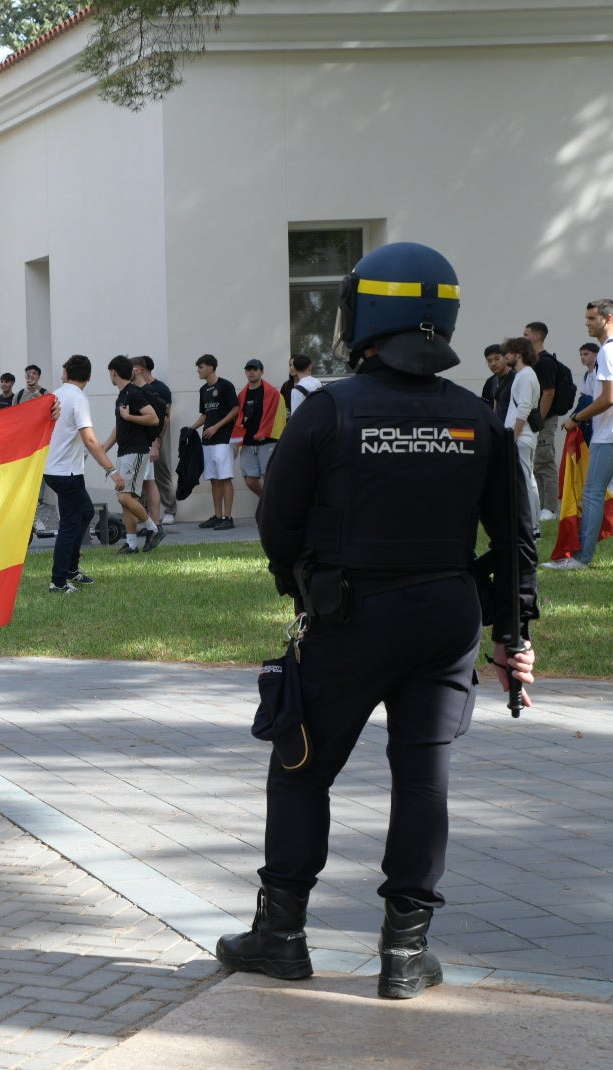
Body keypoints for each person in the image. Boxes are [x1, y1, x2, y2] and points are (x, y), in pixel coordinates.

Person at [217, 241, 537, 1001]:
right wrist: (513, 634)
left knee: (302, 770)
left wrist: (303, 588)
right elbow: (516, 536)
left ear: (362, 315)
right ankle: (404, 952)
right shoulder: (475, 417)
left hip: (349, 615)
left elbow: (278, 524)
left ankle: (282, 934)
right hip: (447, 619)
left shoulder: (328, 409)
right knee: (423, 779)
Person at [45, 354, 122, 593]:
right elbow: (89, 439)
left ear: (66, 373)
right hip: (66, 472)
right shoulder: (78, 399)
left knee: (86, 512)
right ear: (89, 377)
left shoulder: (54, 395)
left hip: (55, 469)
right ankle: (58, 581)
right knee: (70, 523)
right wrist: (112, 470)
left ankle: (70, 570)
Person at [544, 300, 613, 569]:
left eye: (591, 318)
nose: (586, 323)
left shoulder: (607, 352)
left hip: (607, 436)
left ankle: (581, 558)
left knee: (593, 492)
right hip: (605, 434)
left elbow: (608, 398)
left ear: (608, 318)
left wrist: (577, 418)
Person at [102, 355, 165, 553]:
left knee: (124, 497)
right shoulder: (122, 395)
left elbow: (153, 418)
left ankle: (153, 529)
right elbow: (119, 426)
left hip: (136, 451)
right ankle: (131, 543)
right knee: (127, 500)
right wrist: (104, 448)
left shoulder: (134, 393)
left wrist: (129, 416)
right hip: (124, 451)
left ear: (113, 372)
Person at [191, 355, 240, 530]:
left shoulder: (226, 385)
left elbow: (235, 409)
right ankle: (218, 516)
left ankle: (228, 517)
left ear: (211, 367)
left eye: (201, 367)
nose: (198, 370)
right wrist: (192, 428)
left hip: (223, 438)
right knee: (213, 479)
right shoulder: (203, 390)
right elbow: (204, 414)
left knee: (225, 477)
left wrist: (217, 427)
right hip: (208, 440)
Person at [524, 321, 565, 521]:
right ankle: (542, 507)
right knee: (537, 464)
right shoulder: (534, 362)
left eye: (526, 334)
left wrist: (538, 420)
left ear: (537, 336)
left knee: (546, 462)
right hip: (537, 420)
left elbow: (548, 393)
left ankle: (550, 508)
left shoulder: (545, 362)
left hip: (544, 420)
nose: (524, 338)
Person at [501, 336, 543, 526]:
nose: (505, 356)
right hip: (524, 436)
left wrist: (513, 436)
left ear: (519, 354)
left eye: (508, 352)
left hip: (521, 437)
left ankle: (532, 527)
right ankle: (533, 526)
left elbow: (524, 407)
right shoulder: (525, 375)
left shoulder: (525, 375)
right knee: (528, 480)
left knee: (526, 482)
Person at [232, 359, 286, 500]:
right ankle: (266, 502)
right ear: (245, 372)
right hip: (248, 442)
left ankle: (273, 510)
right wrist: (237, 441)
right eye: (248, 369)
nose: (251, 372)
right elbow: (238, 419)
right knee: (250, 480)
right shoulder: (241, 395)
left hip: (267, 441)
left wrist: (267, 433)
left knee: (269, 477)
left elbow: (279, 417)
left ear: (261, 372)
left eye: (255, 369)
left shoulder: (273, 393)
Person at [133, 356, 176, 524]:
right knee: (143, 478)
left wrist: (158, 440)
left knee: (161, 474)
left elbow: (165, 417)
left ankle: (170, 510)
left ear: (140, 370)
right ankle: (143, 513)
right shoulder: (134, 388)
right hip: (139, 440)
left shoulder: (160, 388)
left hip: (156, 438)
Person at [479, 344, 511, 415]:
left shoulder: (516, 377)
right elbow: (485, 407)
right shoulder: (490, 382)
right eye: (489, 361)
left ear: (506, 358)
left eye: (497, 359)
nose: (493, 363)